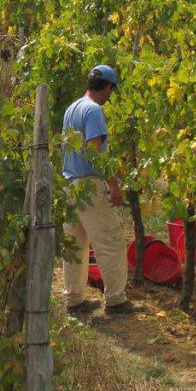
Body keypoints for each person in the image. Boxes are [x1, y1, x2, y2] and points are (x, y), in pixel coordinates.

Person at [61, 64, 141, 316]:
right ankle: (116, 300)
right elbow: (96, 152)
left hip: (69, 184)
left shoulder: (72, 108)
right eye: (110, 90)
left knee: (74, 245)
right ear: (106, 86)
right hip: (89, 185)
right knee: (111, 241)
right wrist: (113, 186)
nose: (110, 96)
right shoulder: (94, 110)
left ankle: (74, 300)